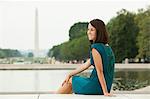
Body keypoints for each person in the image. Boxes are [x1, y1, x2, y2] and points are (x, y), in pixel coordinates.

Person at [56, 19, 115, 96]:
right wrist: (70, 74)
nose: (88, 32)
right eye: (88, 29)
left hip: (96, 86)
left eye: (92, 30)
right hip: (105, 86)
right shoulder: (107, 47)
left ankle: (55, 96)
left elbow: (100, 71)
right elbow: (86, 65)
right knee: (72, 79)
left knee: (71, 81)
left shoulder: (96, 48)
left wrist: (105, 92)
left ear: (99, 32)